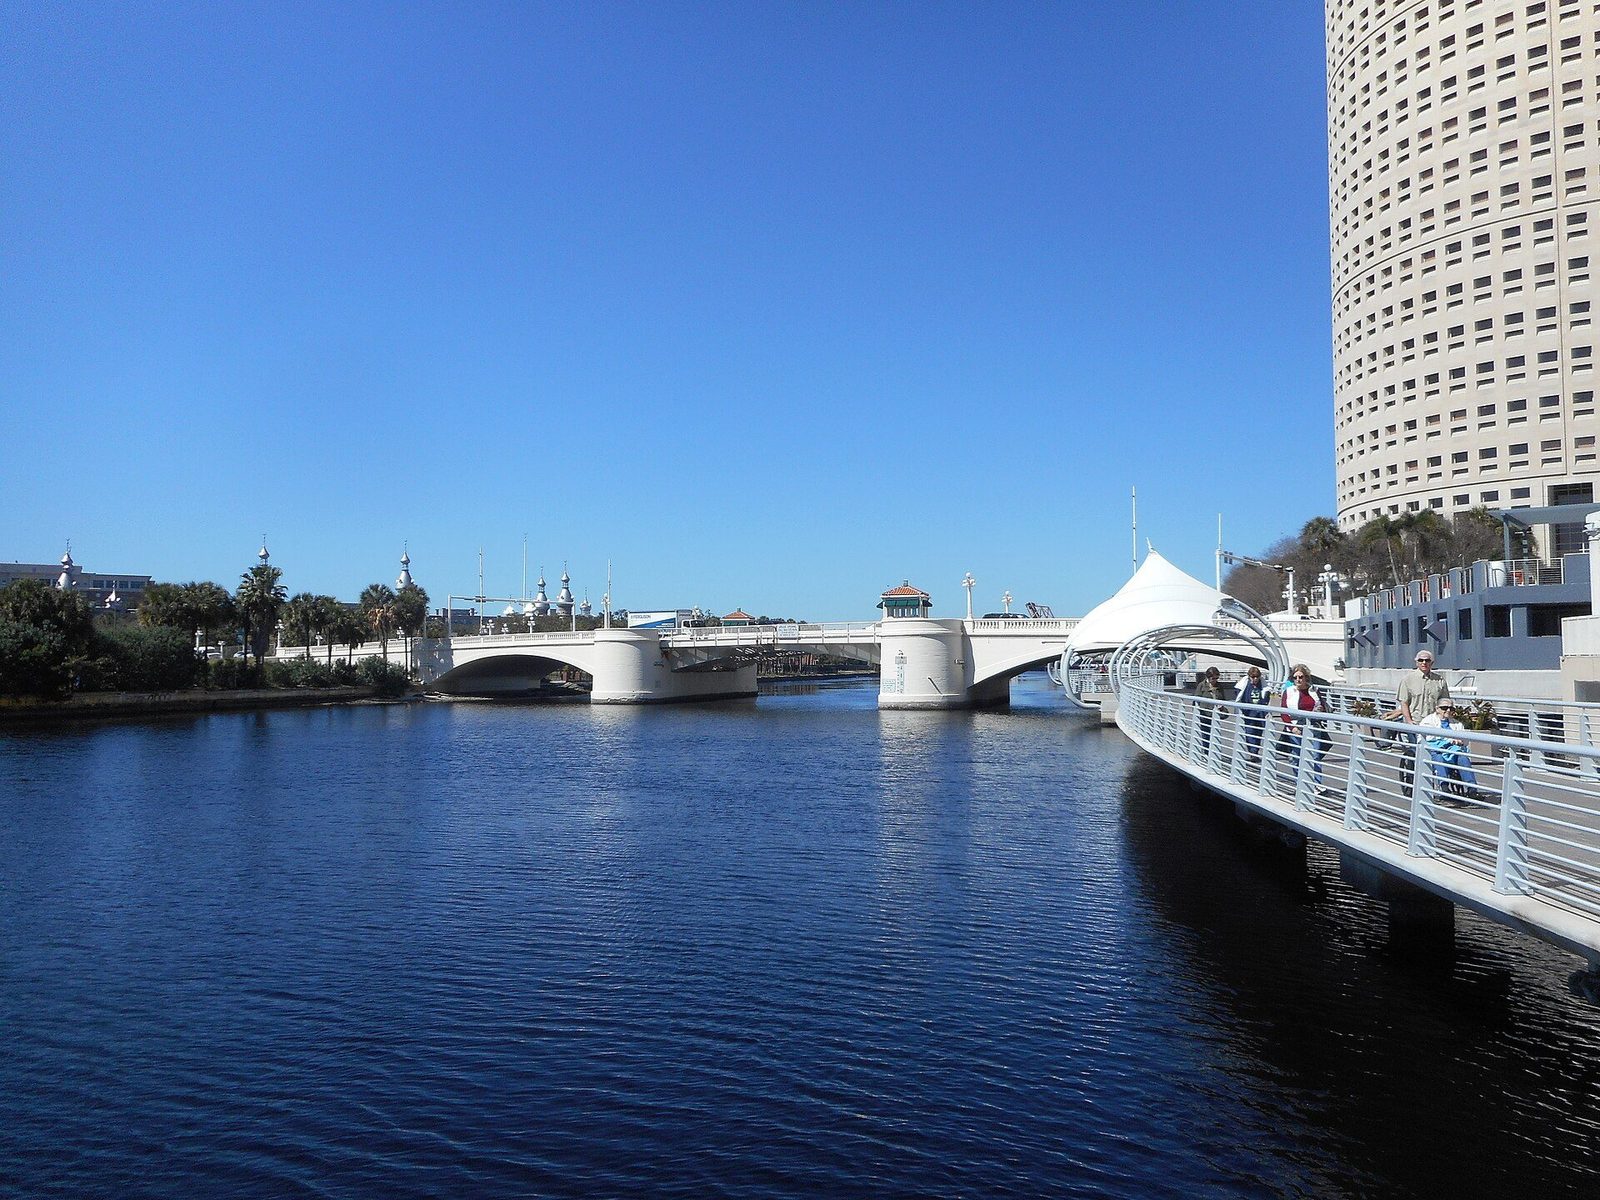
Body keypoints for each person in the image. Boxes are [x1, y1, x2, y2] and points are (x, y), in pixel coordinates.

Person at [1396, 650, 1450, 792]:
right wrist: (1408, 721)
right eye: (1421, 660)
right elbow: (1404, 703)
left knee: (1442, 751)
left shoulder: (1440, 680)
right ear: (1416, 662)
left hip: (1434, 724)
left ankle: (1443, 784)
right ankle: (1417, 785)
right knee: (1417, 753)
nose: (1424, 663)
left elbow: (1445, 702)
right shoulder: (1408, 680)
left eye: (1427, 661)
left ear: (1432, 663)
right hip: (1416, 723)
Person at [1417, 701, 1490, 802]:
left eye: (1451, 708)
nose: (1448, 710)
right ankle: (1444, 787)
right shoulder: (1428, 721)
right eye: (1444, 708)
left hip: (1453, 751)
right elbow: (1427, 738)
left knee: (1463, 757)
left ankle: (1472, 789)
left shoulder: (1457, 724)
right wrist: (1449, 740)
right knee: (1438, 757)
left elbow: (1464, 740)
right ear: (1437, 708)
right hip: (1435, 750)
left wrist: (1459, 741)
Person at [1278, 664, 1330, 792]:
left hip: (1313, 727)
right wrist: (1291, 727)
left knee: (1315, 756)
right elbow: (1284, 712)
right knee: (1297, 757)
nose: (1298, 680)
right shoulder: (1289, 692)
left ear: (1306, 677)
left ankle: (1317, 785)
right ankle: (1300, 783)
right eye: (1295, 678)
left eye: (1300, 677)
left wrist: (1320, 709)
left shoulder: (1314, 691)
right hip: (1296, 727)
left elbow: (1323, 706)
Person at [1234, 665, 1269, 763]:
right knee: (1250, 733)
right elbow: (1238, 694)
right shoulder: (1245, 685)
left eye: (1257, 677)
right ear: (1249, 677)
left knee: (1258, 734)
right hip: (1249, 714)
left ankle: (1255, 752)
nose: (1255, 679)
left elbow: (1266, 697)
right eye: (1253, 677)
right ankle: (1252, 753)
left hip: (1260, 714)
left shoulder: (1262, 686)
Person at [1195, 666, 1227, 759]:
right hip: (1205, 713)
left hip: (1216, 713)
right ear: (1208, 677)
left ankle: (1214, 753)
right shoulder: (1201, 685)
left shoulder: (1219, 686)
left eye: (1217, 678)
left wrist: (1221, 705)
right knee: (1206, 733)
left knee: (1215, 733)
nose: (1215, 680)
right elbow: (1196, 698)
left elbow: (1223, 698)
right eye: (1213, 678)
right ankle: (1206, 752)